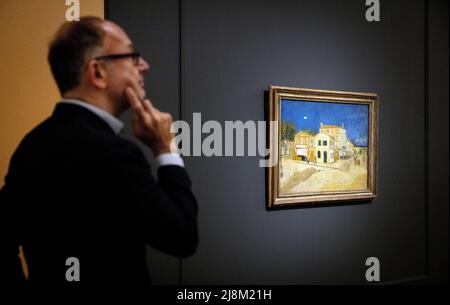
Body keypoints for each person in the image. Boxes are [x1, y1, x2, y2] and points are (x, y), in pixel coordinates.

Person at [0, 17, 198, 286]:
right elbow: (182, 238)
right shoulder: (114, 153)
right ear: (97, 73)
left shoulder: (29, 146)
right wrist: (166, 149)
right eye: (132, 56)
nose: (144, 66)